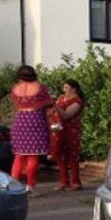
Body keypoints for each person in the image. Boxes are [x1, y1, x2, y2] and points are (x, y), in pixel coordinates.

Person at [10, 65, 53, 196]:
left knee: (19, 156)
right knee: (32, 156)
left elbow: (17, 104)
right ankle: (30, 186)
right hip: (35, 121)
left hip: (20, 120)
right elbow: (50, 102)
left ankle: (13, 187)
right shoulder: (40, 88)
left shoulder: (15, 89)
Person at [52, 78, 85, 191]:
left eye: (66, 87)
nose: (64, 90)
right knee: (60, 155)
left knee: (72, 155)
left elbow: (66, 115)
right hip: (59, 130)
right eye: (64, 87)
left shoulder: (77, 101)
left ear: (74, 89)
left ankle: (76, 182)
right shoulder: (61, 98)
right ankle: (63, 182)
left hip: (71, 131)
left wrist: (55, 106)